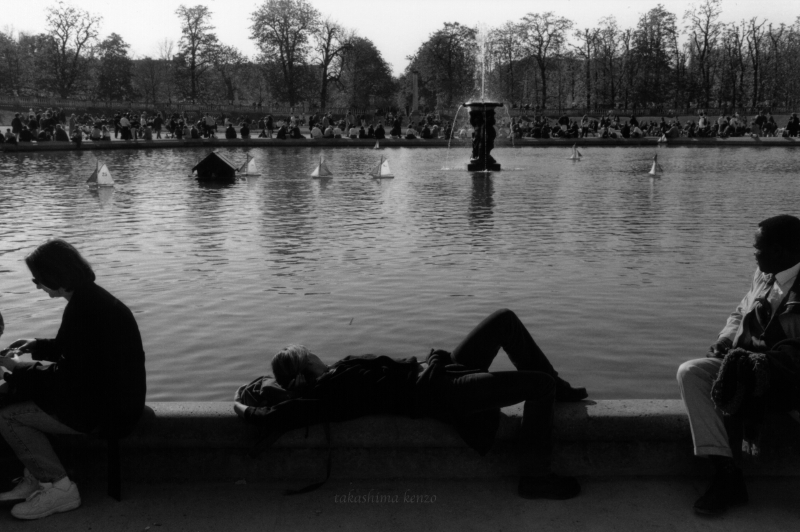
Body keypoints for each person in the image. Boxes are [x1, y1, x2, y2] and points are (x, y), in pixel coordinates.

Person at [234, 309, 587, 500]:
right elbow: (267, 416)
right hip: (442, 392)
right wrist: (243, 402)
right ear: (304, 361)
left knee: (504, 320)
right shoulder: (326, 394)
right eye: (305, 351)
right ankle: (536, 477)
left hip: (442, 370)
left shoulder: (336, 373)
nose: (311, 349)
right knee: (537, 388)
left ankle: (560, 386)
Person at [0, 239, 146, 520]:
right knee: (20, 391)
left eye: (37, 280)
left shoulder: (84, 310)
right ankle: (36, 476)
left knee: (8, 416)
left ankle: (59, 488)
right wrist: (36, 345)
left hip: (107, 412)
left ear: (52, 276)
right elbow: (79, 353)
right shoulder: (91, 300)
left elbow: (70, 377)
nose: (37, 286)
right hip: (114, 398)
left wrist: (19, 369)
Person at [677, 215, 800, 516]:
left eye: (758, 248)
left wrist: (769, 364)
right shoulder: (764, 273)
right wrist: (724, 341)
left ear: (781, 251)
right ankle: (726, 474)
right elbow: (740, 311)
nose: (754, 254)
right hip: (745, 368)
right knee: (691, 373)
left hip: (791, 376)